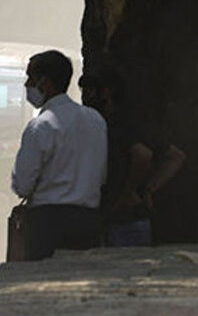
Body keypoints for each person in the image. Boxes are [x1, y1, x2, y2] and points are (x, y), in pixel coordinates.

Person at [11, 50, 107, 260]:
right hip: (89, 219)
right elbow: (101, 175)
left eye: (30, 78)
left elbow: (23, 184)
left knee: (44, 282)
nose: (27, 85)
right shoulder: (95, 120)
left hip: (48, 223)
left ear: (44, 83)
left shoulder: (41, 126)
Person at [78, 71, 186, 246]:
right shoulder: (132, 123)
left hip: (122, 219)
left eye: (88, 92)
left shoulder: (115, 126)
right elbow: (175, 156)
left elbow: (143, 155)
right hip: (128, 217)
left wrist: (129, 191)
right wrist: (148, 189)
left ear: (105, 93)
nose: (84, 98)